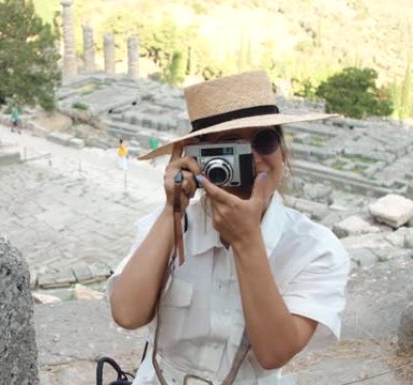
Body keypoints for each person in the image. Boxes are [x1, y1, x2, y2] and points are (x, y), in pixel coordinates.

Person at [107, 71, 349, 384]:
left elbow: (274, 353)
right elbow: (127, 314)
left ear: (283, 153)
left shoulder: (316, 250)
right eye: (229, 146)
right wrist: (172, 210)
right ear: (196, 158)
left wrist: (248, 242)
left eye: (265, 141)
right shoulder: (170, 225)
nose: (252, 160)